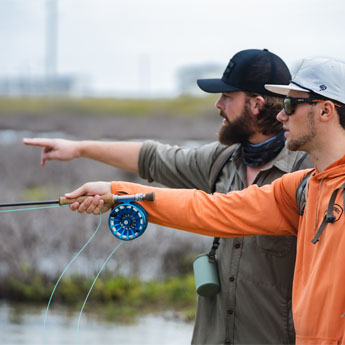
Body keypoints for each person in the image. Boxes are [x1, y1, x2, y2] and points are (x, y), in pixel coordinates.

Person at [24, 49, 312, 345]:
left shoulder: (309, 175)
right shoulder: (222, 160)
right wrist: (79, 148)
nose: (218, 104)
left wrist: (120, 192)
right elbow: (155, 158)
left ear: (256, 104)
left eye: (227, 96)